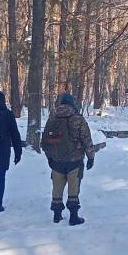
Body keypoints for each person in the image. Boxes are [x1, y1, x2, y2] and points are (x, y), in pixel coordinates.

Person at [40, 93, 96, 225]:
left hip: (56, 161)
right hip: (74, 160)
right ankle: (73, 217)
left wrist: (50, 157)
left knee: (57, 187)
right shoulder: (78, 119)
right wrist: (91, 157)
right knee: (73, 189)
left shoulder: (52, 119)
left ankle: (57, 215)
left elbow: (45, 141)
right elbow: (86, 140)